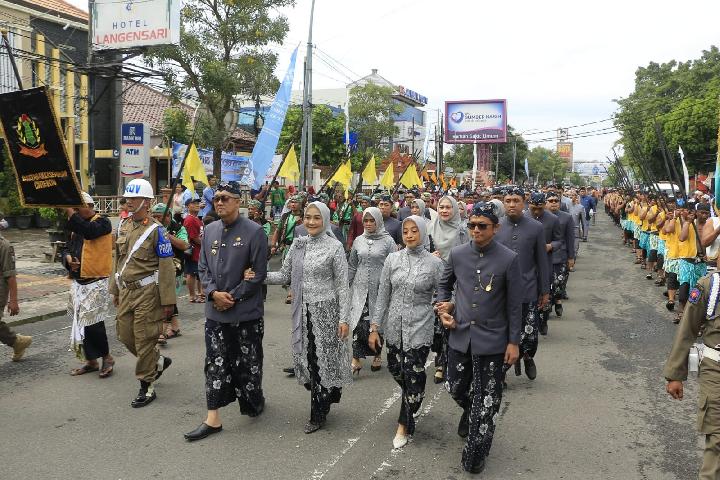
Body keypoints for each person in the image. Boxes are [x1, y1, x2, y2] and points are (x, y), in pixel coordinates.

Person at [436, 202, 521, 474]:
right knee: (455, 386)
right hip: (460, 333)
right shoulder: (458, 254)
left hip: (494, 339)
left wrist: (514, 342)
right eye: (472, 225)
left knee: (487, 400)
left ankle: (475, 455)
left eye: (482, 226)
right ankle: (470, 411)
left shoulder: (508, 258)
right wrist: (443, 305)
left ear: (495, 228)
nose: (475, 230)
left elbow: (515, 305)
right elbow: (444, 285)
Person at [183, 182, 268, 442]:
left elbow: (258, 274)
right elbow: (204, 267)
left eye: (225, 198)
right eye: (217, 198)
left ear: (237, 202)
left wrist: (232, 296)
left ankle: (254, 400)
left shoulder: (255, 232)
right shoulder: (209, 230)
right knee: (215, 364)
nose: (219, 202)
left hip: (245, 313)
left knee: (248, 366)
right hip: (216, 313)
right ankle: (213, 418)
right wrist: (212, 294)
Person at [264, 201, 352, 433]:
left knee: (320, 360)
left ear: (325, 220)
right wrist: (257, 277)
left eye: (316, 218)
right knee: (306, 360)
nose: (311, 222)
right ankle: (326, 396)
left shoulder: (334, 248)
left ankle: (318, 413)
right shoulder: (298, 244)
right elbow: (284, 275)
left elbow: (343, 286)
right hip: (302, 312)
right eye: (307, 217)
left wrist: (344, 319)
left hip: (327, 311)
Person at [368, 215, 443, 448]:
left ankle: (404, 425)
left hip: (420, 326)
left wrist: (445, 315)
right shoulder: (393, 259)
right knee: (397, 370)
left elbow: (444, 295)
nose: (409, 235)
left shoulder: (435, 263)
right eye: (406, 231)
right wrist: (375, 327)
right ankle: (415, 395)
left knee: (413, 372)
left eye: (414, 231)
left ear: (422, 232)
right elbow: (383, 295)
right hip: (394, 326)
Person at [109, 179, 176, 408]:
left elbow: (167, 267)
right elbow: (117, 260)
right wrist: (114, 289)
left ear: (146, 202)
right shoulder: (123, 226)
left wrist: (168, 302)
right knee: (125, 335)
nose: (129, 201)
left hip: (148, 292)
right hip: (127, 290)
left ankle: (146, 384)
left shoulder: (157, 231)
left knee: (145, 337)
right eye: (128, 197)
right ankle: (156, 362)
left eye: (134, 198)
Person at [664, 271, 720, 480]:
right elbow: (687, 329)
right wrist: (675, 374)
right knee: (718, 438)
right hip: (716, 369)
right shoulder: (710, 286)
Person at [495, 187, 549, 380]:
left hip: (528, 288)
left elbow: (542, 261)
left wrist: (545, 291)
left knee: (529, 331)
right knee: (502, 331)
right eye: (508, 200)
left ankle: (527, 356)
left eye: (516, 200)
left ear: (524, 201)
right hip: (501, 291)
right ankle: (502, 369)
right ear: (503, 201)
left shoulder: (536, 227)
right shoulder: (496, 226)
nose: (511, 204)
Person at [62, 192, 115, 378]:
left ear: (91, 206)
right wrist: (68, 258)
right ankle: (91, 360)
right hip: (79, 281)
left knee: (93, 324)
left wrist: (70, 213)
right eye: (75, 208)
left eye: (79, 207)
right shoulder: (75, 225)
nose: (76, 211)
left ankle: (107, 357)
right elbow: (66, 247)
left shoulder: (103, 222)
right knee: (80, 324)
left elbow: (89, 231)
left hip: (96, 281)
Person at [348, 207, 396, 375]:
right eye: (366, 221)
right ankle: (356, 358)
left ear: (378, 221)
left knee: (378, 320)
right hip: (360, 288)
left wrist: (392, 286)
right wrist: (346, 284)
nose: (368, 224)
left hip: (380, 286)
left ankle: (377, 354)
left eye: (372, 220)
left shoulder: (388, 241)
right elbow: (353, 264)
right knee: (358, 321)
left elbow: (394, 266)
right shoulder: (358, 240)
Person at [427, 195, 469, 384]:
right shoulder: (429, 229)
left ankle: (449, 362)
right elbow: (419, 251)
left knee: (452, 322)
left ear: (454, 210)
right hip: (435, 283)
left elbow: (471, 253)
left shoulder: (463, 231)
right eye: (441, 207)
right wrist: (429, 255)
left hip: (457, 283)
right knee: (437, 324)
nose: (444, 210)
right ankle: (439, 362)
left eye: (448, 207)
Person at [150, 203, 190, 343]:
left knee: (167, 299)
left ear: (168, 216)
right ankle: (175, 327)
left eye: (158, 216)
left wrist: (168, 236)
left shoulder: (178, 228)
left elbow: (185, 245)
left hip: (174, 267)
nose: (155, 218)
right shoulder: (151, 227)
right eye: (153, 216)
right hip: (156, 268)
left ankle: (162, 331)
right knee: (164, 298)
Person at [527, 192, 562, 337]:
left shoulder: (553, 219)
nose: (536, 211)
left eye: (539, 208)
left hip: (545, 263)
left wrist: (550, 246)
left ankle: (543, 320)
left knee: (545, 292)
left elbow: (559, 240)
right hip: (526, 264)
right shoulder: (523, 218)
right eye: (533, 208)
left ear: (544, 205)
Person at [0, 210, 31, 361]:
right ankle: (17, 342)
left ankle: (17, 341)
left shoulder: (5, 246)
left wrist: (13, 300)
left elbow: (11, 276)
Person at [545, 192, 575, 317]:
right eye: (550, 201)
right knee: (546, 282)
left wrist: (571, 257)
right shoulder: (540, 217)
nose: (553, 203)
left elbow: (570, 238)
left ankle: (557, 301)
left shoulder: (566, 217)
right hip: (544, 255)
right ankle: (547, 306)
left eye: (555, 201)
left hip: (561, 255)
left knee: (558, 282)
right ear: (545, 203)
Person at [184, 198, 205, 303]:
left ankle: (201, 293)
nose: (197, 205)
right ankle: (192, 295)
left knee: (199, 273)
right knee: (191, 273)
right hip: (193, 250)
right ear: (188, 206)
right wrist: (205, 244)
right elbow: (194, 237)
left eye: (198, 203)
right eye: (194, 203)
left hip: (199, 250)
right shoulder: (190, 219)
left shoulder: (197, 219)